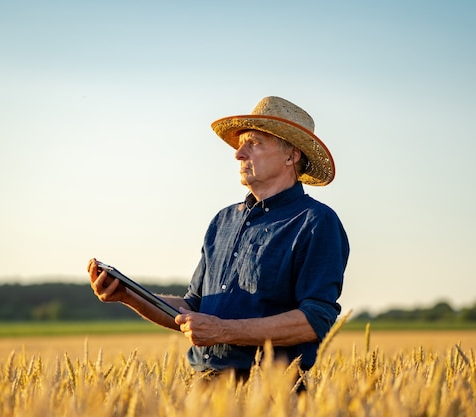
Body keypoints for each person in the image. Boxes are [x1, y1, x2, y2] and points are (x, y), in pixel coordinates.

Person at [88, 96, 349, 379]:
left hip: (272, 392)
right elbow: (192, 308)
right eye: (240, 146)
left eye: (255, 143)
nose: (239, 154)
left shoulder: (316, 221)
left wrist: (223, 330)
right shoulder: (223, 221)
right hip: (203, 388)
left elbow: (315, 320)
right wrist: (129, 294)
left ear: (291, 155)